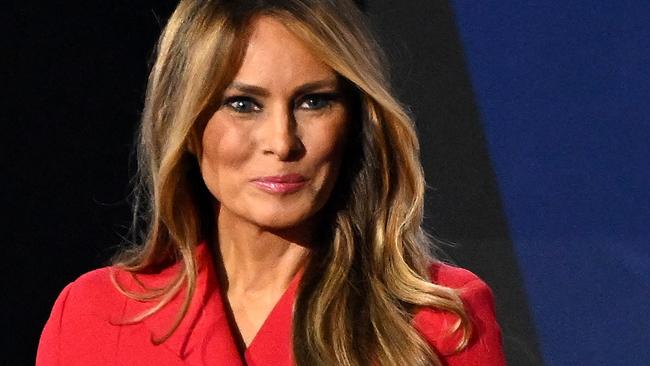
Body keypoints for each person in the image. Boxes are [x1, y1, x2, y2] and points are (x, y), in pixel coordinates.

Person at [37, 0, 506, 365]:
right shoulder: (95, 316)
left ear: (356, 121)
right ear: (186, 123)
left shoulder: (441, 320)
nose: (282, 142)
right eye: (243, 104)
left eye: (314, 102)